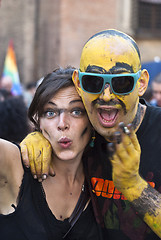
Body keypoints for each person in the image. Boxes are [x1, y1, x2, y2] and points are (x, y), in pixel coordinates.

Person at [20, 29, 161, 239]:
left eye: (121, 83)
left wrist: (134, 186)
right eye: (93, 82)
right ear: (78, 82)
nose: (106, 96)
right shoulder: (85, 132)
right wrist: (39, 137)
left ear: (141, 83)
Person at [0, 67, 104, 239]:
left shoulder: (105, 174)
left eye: (76, 111)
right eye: (50, 113)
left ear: (92, 120)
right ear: (38, 120)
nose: (62, 123)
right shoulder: (15, 163)